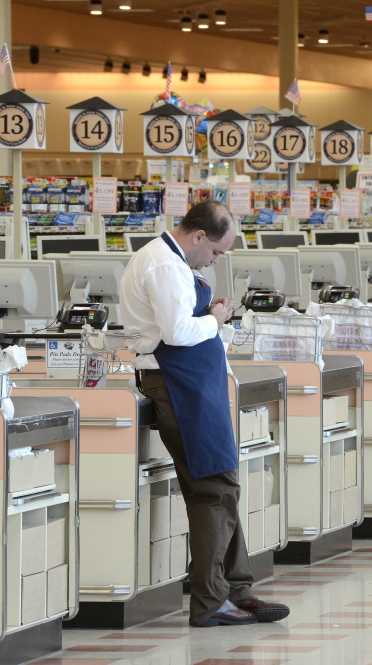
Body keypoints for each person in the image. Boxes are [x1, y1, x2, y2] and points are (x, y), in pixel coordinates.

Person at [120, 200, 289, 627]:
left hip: (196, 383)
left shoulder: (174, 262)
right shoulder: (163, 264)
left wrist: (214, 321)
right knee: (213, 489)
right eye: (215, 252)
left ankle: (237, 587)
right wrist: (215, 319)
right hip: (180, 384)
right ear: (198, 236)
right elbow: (177, 333)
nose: (215, 261)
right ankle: (212, 601)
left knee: (221, 485)